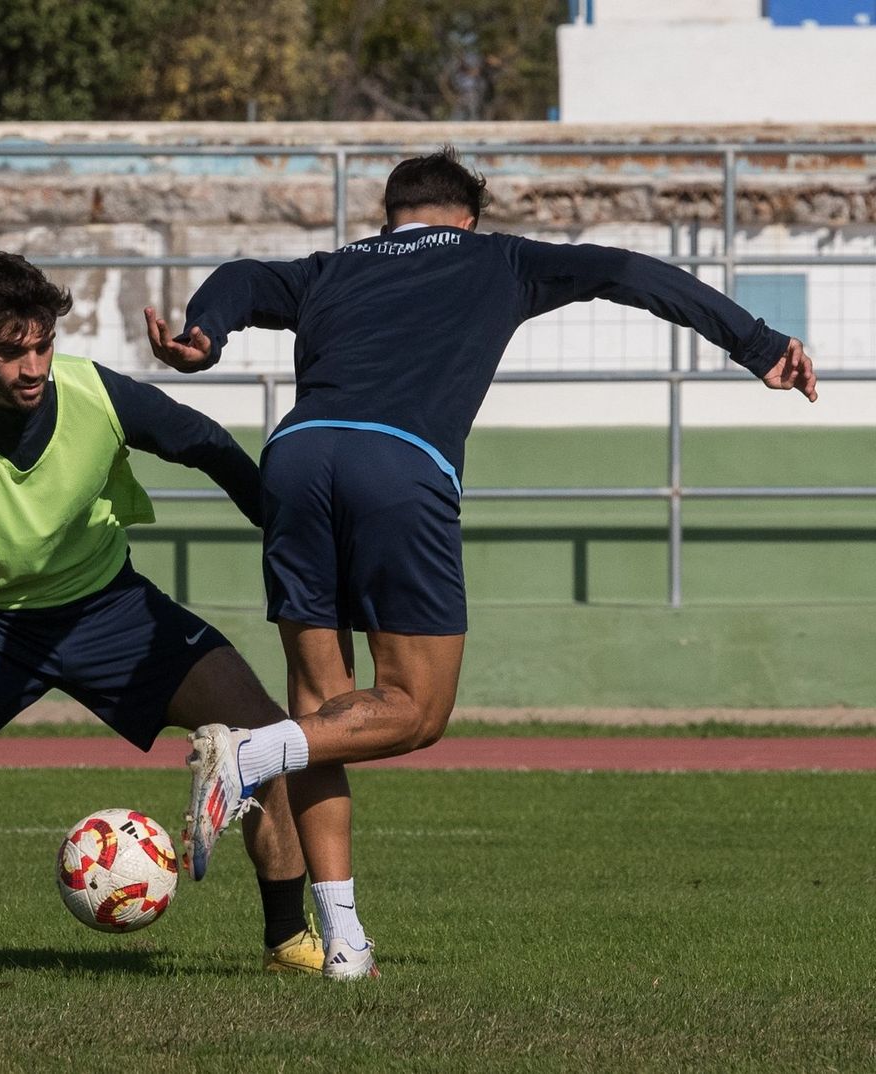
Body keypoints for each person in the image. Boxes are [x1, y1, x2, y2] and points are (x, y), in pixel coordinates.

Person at [144, 147, 819, 981]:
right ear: (468, 218)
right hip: (397, 462)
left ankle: (346, 946)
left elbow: (245, 275)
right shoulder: (498, 257)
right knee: (415, 711)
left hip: (294, 455)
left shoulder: (330, 268)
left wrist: (204, 333)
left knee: (318, 716)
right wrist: (756, 344)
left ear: (389, 216)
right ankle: (243, 760)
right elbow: (630, 271)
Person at [0, 250, 331, 972]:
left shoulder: (95, 393)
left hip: (111, 611)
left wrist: (285, 527)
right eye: (11, 351)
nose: (33, 366)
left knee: (263, 733)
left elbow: (205, 444)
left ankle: (287, 937)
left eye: (43, 345)